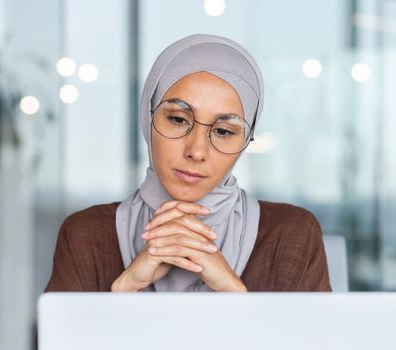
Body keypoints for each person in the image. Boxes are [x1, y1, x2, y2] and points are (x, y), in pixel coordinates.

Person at [44, 34, 331, 292]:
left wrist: (235, 296)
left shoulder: (292, 237)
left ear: (245, 141)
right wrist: (125, 289)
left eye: (223, 131)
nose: (197, 150)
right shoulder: (85, 237)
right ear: (147, 116)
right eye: (178, 119)